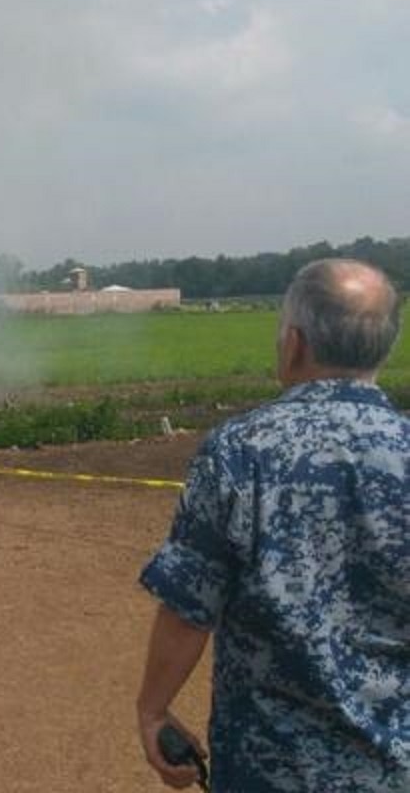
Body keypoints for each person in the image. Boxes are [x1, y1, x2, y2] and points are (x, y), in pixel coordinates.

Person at [136, 258, 407, 791]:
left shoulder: (239, 451)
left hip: (267, 768)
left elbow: (190, 603)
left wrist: (153, 710)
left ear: (294, 344)